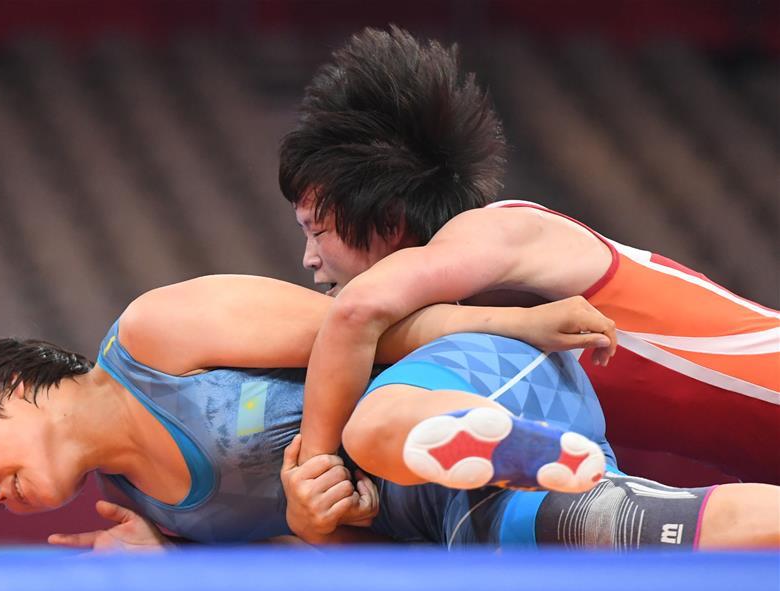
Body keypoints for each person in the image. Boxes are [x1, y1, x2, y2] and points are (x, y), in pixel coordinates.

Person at [0, 275, 778, 551]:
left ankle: (498, 446)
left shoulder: (155, 337)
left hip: (465, 372)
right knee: (643, 532)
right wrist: (328, 520)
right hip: (438, 498)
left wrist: (514, 321)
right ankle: (526, 468)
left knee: (372, 429)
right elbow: (334, 539)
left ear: (16, 385)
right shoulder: (157, 517)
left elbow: (366, 321)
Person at [279, 26, 779, 487]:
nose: (309, 259)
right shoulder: (466, 328)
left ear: (388, 219)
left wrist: (315, 469)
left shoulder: (498, 228)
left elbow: (355, 313)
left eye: (317, 231)